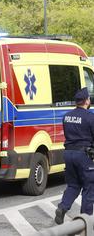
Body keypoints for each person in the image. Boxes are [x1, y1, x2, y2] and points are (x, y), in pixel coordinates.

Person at [55, 87, 94, 224]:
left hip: (68, 153)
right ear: (86, 101)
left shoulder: (67, 116)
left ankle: (62, 208)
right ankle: (85, 221)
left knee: (73, 185)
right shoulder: (90, 117)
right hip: (83, 156)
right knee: (89, 187)